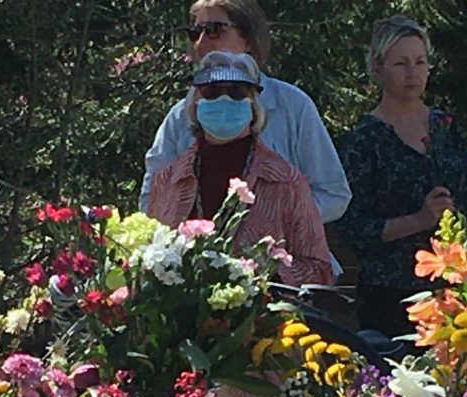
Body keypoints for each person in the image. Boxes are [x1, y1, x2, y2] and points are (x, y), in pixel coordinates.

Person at [334, 16, 467, 339]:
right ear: (377, 69)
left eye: (420, 62)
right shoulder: (364, 140)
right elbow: (351, 227)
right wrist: (419, 219)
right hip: (390, 295)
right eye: (400, 63)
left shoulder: (445, 126)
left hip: (456, 287)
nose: (412, 72)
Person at [139, 0, 350, 227]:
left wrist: (280, 224)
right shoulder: (180, 116)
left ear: (248, 38)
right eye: (195, 32)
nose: (201, 42)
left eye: (214, 30)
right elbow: (150, 201)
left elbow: (333, 194)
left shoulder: (292, 105)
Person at [146, 51, 332, 286]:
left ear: (253, 105)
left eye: (236, 92)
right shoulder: (167, 179)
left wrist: (260, 276)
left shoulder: (286, 181)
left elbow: (318, 270)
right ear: (195, 104)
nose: (224, 100)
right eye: (211, 92)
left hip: (259, 318)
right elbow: (150, 258)